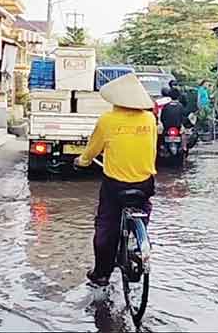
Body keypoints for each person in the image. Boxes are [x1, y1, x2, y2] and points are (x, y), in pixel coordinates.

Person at [74, 73, 157, 287]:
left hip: (115, 186)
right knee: (143, 208)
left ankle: (102, 274)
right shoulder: (149, 119)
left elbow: (91, 151)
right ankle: (138, 242)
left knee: (106, 225)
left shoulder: (107, 120)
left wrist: (82, 161)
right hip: (145, 183)